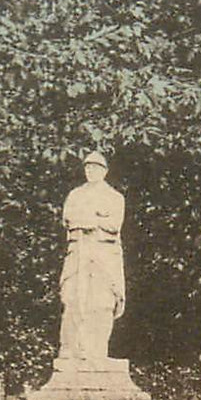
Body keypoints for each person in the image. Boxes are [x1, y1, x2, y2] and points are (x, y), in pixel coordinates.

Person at [58, 151, 126, 360]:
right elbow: (68, 219)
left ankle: (97, 352)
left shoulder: (114, 197)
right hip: (78, 253)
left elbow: (114, 224)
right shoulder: (75, 195)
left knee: (103, 302)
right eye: (87, 167)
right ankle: (70, 350)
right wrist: (92, 220)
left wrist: (91, 222)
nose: (91, 171)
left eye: (96, 167)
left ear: (104, 171)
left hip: (104, 254)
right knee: (72, 299)